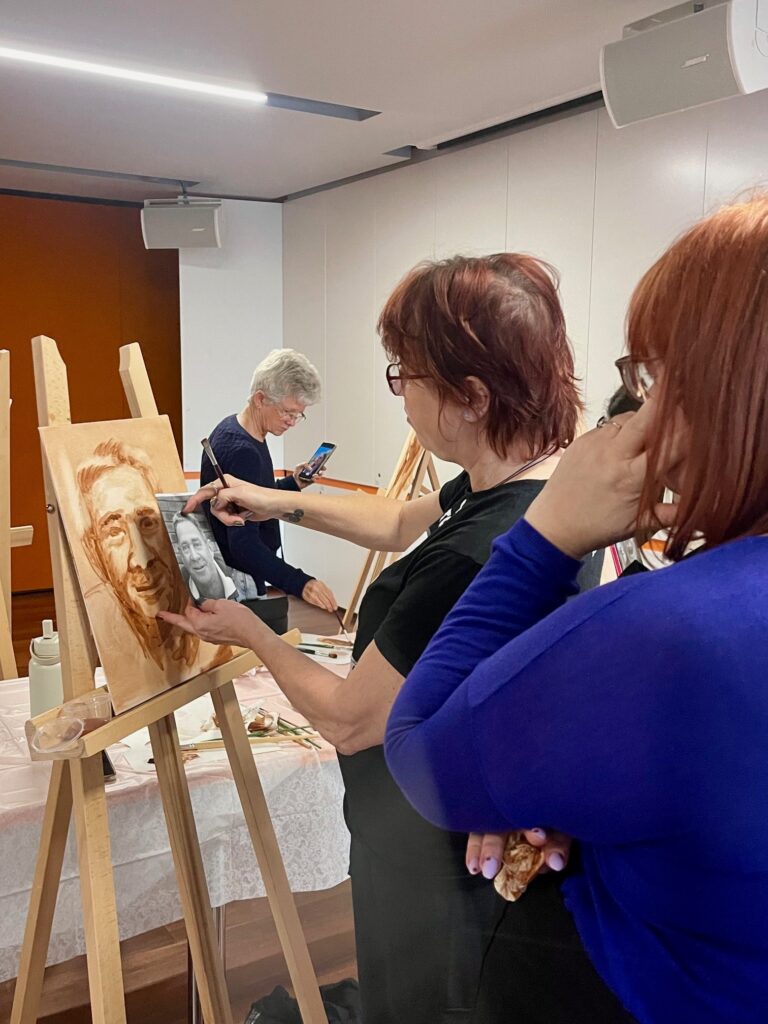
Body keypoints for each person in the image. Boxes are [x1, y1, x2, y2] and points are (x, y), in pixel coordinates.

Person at [161, 253, 601, 1023]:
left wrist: (251, 633)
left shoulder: (475, 557)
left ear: (471, 395)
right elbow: (398, 521)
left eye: (405, 375)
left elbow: (347, 719)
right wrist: (273, 500)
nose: (399, 396)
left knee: (420, 1004)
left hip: (430, 852)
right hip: (452, 824)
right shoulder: (542, 480)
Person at [384, 196, 768, 1023]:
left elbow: (418, 752)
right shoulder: (467, 500)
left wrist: (545, 536)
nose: (643, 411)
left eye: (656, 379)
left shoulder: (678, 629)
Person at [201, 348, 337, 634]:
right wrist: (300, 583)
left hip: (240, 574)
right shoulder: (243, 451)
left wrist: (293, 484)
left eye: (299, 415)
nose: (292, 421)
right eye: (287, 412)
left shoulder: (234, 429)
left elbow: (256, 498)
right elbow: (244, 545)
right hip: (239, 580)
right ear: (260, 399)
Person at [77, 438, 230, 681]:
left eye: (148, 523)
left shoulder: (211, 621)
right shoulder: (110, 631)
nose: (140, 560)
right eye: (114, 532)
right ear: (94, 551)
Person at [172, 513, 239, 602]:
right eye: (185, 548)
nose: (194, 557)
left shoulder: (236, 569)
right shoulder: (178, 589)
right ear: (182, 556)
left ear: (209, 547)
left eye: (197, 544)